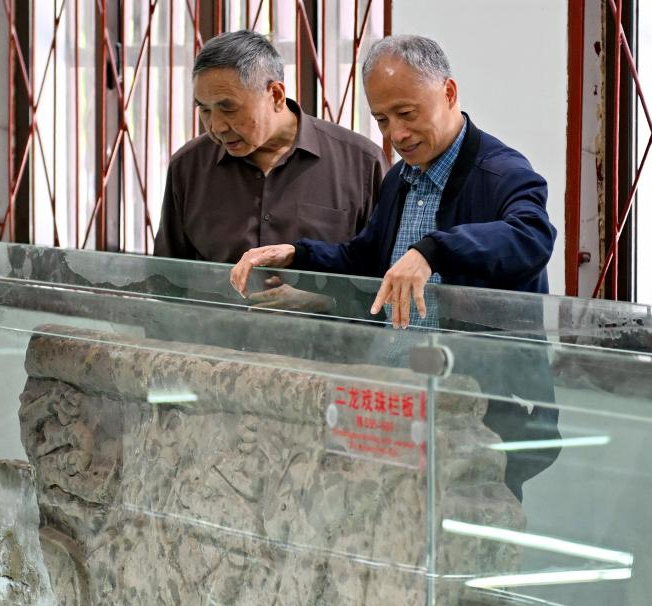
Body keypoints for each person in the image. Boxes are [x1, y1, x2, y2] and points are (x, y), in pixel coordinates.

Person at [229, 35, 559, 498]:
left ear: (448, 93)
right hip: (397, 409)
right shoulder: (400, 178)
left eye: (407, 114)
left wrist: (433, 250)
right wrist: (298, 254)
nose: (396, 135)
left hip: (476, 415)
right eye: (382, 120)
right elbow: (366, 259)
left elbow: (531, 237)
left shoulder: (502, 172)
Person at [153, 29, 387, 265]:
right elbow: (166, 274)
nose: (216, 127)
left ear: (275, 95)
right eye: (204, 110)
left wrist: (317, 287)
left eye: (228, 108)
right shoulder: (188, 167)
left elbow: (381, 268)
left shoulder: (362, 164)